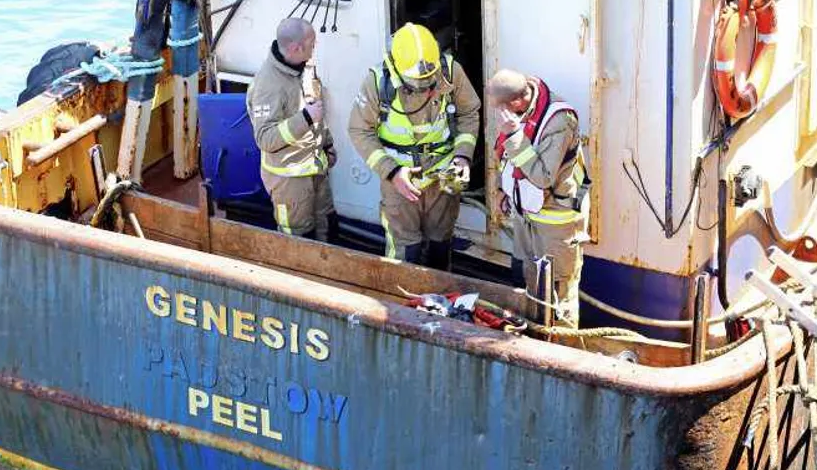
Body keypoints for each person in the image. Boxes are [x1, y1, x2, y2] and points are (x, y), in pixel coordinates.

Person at [348, 23, 481, 270]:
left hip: (445, 176)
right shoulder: (378, 82)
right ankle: (402, 304)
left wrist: (462, 156)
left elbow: (469, 112)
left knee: (441, 245)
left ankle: (440, 302)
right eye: (417, 84)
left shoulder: (451, 71)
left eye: (430, 82)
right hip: (399, 179)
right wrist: (391, 172)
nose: (427, 90)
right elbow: (359, 130)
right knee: (404, 249)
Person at [489, 69, 590, 328]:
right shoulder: (520, 112)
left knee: (559, 294)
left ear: (516, 103)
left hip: (556, 223)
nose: (498, 116)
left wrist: (513, 136)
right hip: (526, 216)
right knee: (529, 283)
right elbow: (507, 158)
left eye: (501, 109)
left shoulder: (560, 121)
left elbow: (543, 177)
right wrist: (504, 190)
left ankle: (563, 351)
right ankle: (535, 339)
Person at [246, 17, 337, 242]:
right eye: (311, 45)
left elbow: (315, 109)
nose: (314, 50)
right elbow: (265, 138)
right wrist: (304, 118)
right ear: (296, 48)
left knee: (328, 226)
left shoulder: (302, 68)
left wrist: (327, 144)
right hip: (289, 181)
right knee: (299, 240)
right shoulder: (268, 85)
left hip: (314, 170)